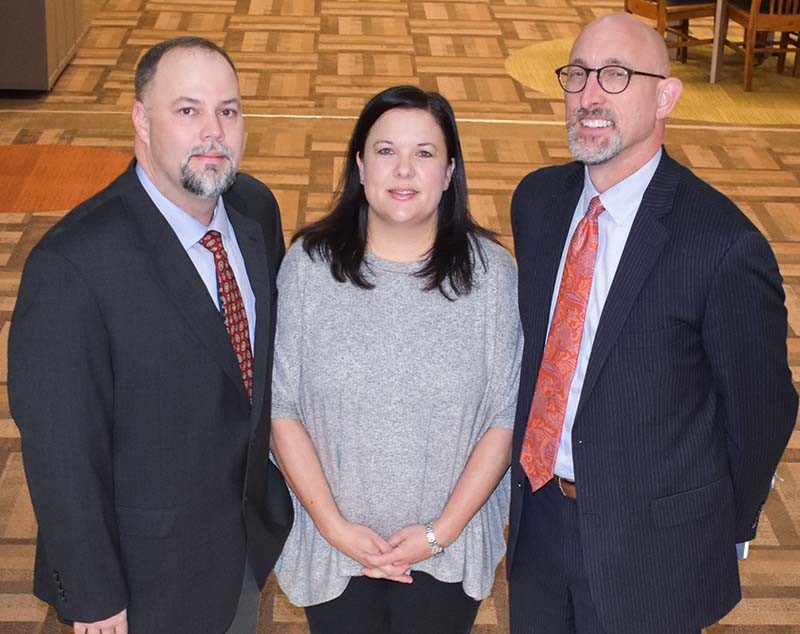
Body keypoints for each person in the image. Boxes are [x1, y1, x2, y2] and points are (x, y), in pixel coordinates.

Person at [507, 13, 797, 634]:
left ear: (666, 96)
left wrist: (712, 524)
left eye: (615, 76)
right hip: (537, 527)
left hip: (653, 554)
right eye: (578, 74)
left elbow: (762, 409)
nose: (588, 95)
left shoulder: (722, 245)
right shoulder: (536, 201)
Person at [8, 37, 292, 634]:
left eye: (229, 111)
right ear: (140, 119)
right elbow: (63, 452)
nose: (213, 131)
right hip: (143, 582)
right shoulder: (73, 264)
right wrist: (93, 594)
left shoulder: (256, 210)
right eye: (187, 110)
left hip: (243, 546)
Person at [269, 85, 523, 634]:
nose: (403, 170)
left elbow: (506, 416)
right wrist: (335, 528)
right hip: (334, 545)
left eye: (424, 153)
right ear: (360, 165)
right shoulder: (308, 268)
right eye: (385, 151)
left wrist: (439, 533)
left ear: (450, 171)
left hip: (446, 549)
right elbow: (279, 406)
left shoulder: (493, 277)